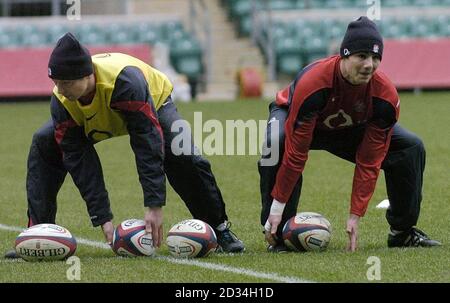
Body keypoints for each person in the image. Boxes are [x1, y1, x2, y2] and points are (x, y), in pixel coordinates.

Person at [5, 33, 244, 258]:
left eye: (67, 83)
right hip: (98, 118)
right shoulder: (62, 100)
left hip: (154, 103)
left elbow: (147, 143)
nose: (61, 89)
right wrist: (102, 216)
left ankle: (219, 228)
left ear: (87, 75)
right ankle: (37, 232)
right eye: (56, 82)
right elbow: (80, 161)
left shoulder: (125, 81)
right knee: (44, 143)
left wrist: (154, 204)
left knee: (183, 155)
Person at [258, 16, 441, 252]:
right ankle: (277, 230)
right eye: (362, 56)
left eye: (376, 58)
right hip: (295, 116)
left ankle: (402, 233)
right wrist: (276, 208)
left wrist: (355, 215)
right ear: (344, 55)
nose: (369, 65)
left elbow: (369, 161)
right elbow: (296, 155)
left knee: (409, 146)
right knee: (277, 142)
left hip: (349, 126)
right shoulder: (314, 82)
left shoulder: (384, 97)